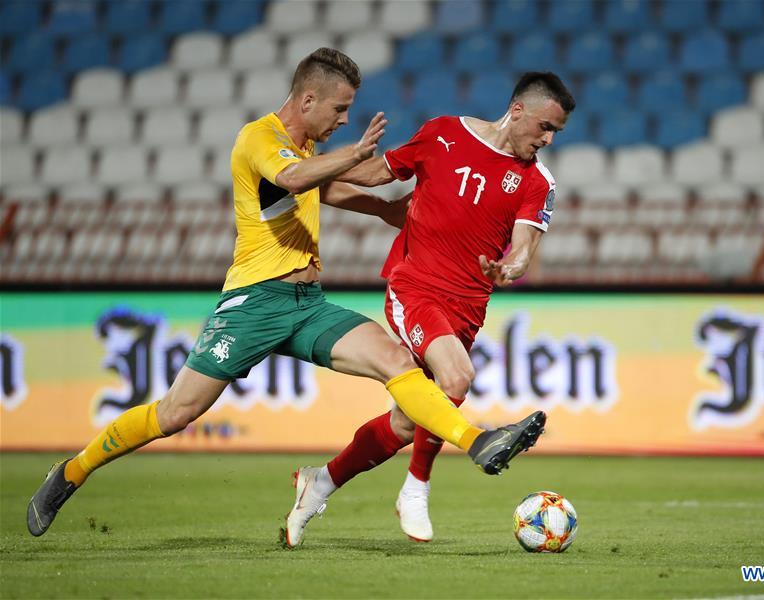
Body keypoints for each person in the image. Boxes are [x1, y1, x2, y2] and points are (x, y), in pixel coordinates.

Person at [26, 49, 547, 544]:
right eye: (339, 109)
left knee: (395, 362)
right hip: (253, 304)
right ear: (307, 101)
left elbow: (323, 187)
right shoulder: (259, 138)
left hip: (306, 307)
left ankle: (478, 442)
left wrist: (383, 209)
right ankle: (71, 471)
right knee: (174, 415)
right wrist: (355, 155)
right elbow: (296, 179)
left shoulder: (306, 150)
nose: (344, 120)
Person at [287, 72, 575, 543]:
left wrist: (510, 267)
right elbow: (379, 173)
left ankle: (321, 480)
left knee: (408, 421)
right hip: (414, 286)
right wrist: (316, 167)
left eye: (555, 134)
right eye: (544, 127)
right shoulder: (443, 133)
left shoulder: (538, 182)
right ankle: (416, 489)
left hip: (467, 309)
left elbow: (524, 247)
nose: (546, 139)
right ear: (517, 110)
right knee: (456, 377)